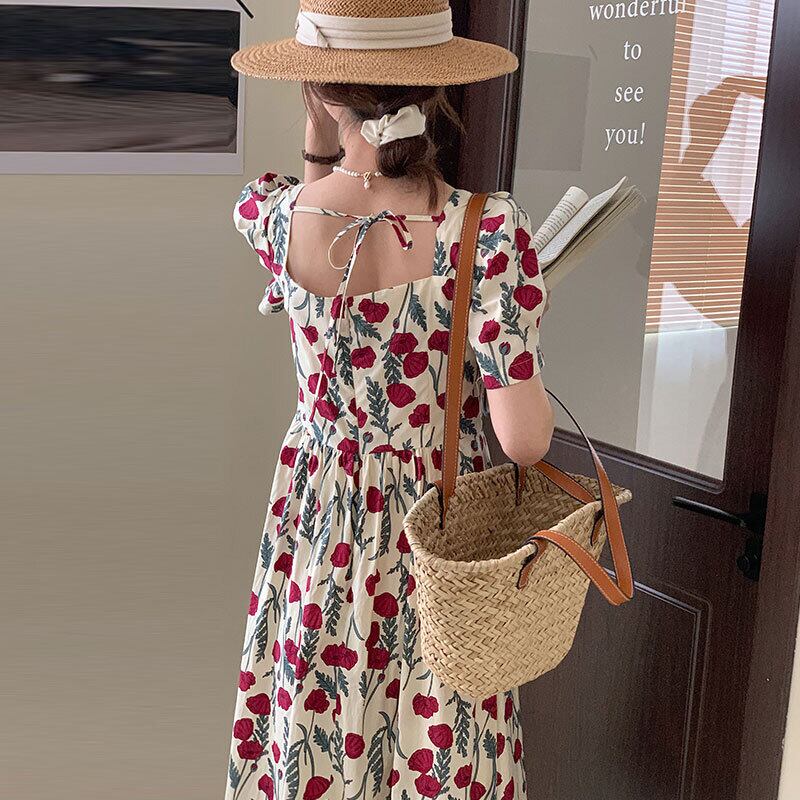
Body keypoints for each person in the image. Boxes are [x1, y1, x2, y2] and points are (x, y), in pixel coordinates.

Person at [226, 3, 553, 799]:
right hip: (434, 531)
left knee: (316, 726)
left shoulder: (277, 216)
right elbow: (525, 441)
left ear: (320, 94)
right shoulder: (485, 231)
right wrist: (514, 334)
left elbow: (328, 197)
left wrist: (323, 132)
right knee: (436, 740)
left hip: (317, 522)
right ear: (436, 90)